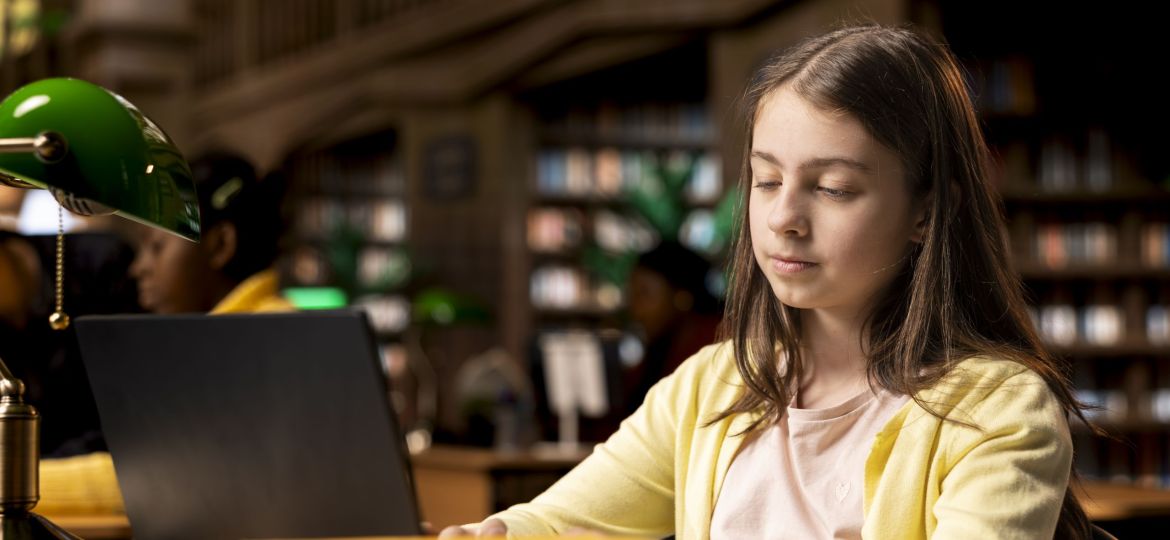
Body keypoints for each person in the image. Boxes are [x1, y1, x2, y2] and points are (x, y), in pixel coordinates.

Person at [442, 24, 1096, 539]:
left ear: (926, 211)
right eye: (766, 179)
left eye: (834, 188)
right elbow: (553, 523)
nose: (784, 218)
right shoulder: (712, 386)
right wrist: (493, 531)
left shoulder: (997, 413)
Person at [37, 151, 294, 516]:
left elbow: (160, 477)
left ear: (220, 245)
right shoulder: (209, 343)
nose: (137, 268)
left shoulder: (268, 337)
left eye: (156, 246)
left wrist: (15, 480)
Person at [624, 240, 722, 414]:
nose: (635, 310)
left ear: (681, 297)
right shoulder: (663, 345)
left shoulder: (715, 346)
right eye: (632, 295)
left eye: (644, 294)